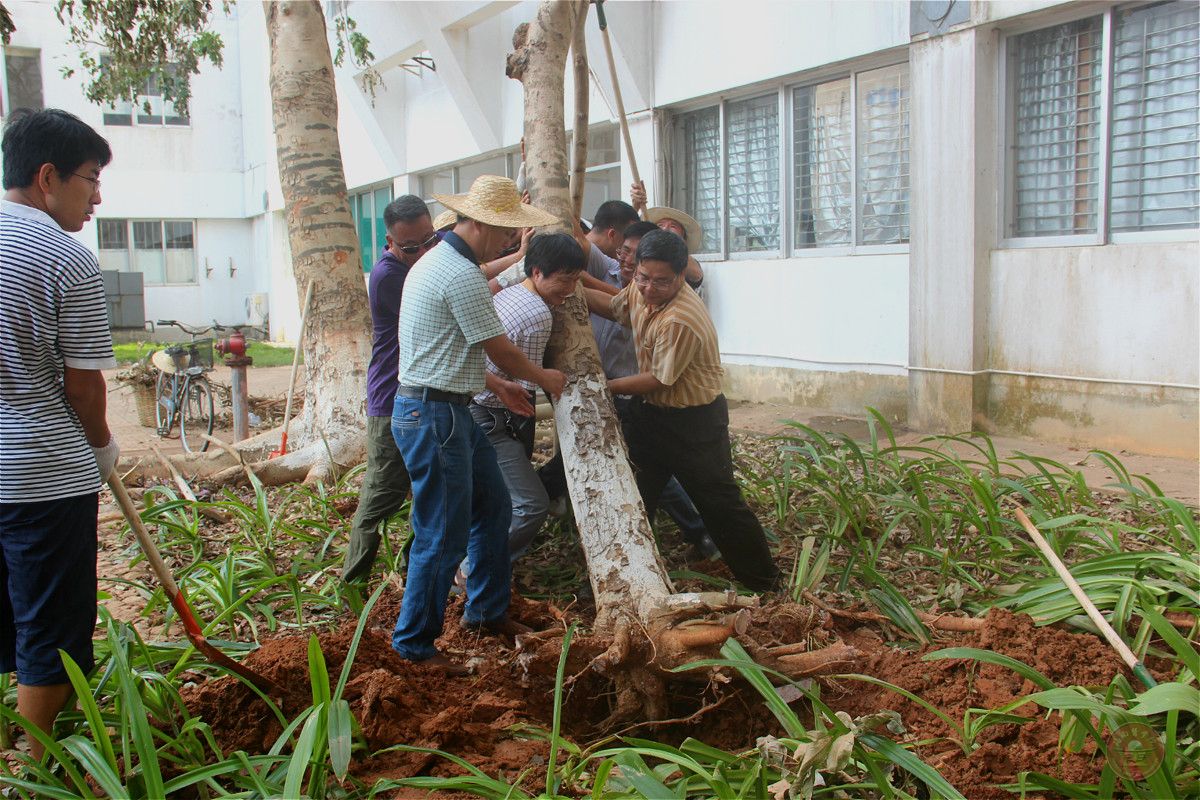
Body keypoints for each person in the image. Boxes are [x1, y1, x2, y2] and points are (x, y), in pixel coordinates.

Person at [391, 174, 565, 675]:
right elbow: (499, 345)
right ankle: (414, 646)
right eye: (508, 230)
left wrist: (498, 384)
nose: (512, 239)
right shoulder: (457, 274)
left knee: (494, 507)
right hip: (435, 415)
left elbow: (447, 345)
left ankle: (485, 612)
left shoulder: (443, 263)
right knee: (441, 533)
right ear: (485, 224)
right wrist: (542, 377)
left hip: (449, 407)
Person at [0, 109, 120, 758]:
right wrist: (102, 448)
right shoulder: (63, 257)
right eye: (90, 179)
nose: (97, 196)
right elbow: (83, 387)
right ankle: (36, 764)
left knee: (8, 614)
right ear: (48, 177)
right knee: (51, 623)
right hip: (42, 476)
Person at [585, 229, 780, 592]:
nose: (648, 288)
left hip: (694, 424)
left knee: (720, 503)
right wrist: (570, 291)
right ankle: (623, 581)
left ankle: (764, 582)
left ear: (680, 276)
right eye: (642, 277)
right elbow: (616, 308)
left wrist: (602, 388)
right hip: (651, 416)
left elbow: (659, 378)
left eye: (661, 281)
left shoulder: (680, 318)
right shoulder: (642, 291)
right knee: (635, 494)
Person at [469, 233, 585, 563]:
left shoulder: (509, 291)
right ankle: (471, 569)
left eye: (576, 279)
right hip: (492, 416)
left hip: (476, 408)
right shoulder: (537, 315)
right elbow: (522, 390)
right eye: (564, 280)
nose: (570, 289)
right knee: (531, 504)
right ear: (536, 272)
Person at [343, 195, 439, 584]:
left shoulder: (426, 257)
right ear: (389, 241)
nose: (420, 253)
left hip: (420, 394)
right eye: (410, 247)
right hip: (390, 400)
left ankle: (411, 568)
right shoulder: (390, 277)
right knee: (381, 493)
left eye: (428, 242)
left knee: (432, 487)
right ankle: (353, 582)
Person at [629, 182, 704, 289]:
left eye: (673, 226)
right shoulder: (642, 257)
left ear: (683, 237)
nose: (665, 229)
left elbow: (697, 275)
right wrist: (635, 207)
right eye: (660, 225)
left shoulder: (686, 262)